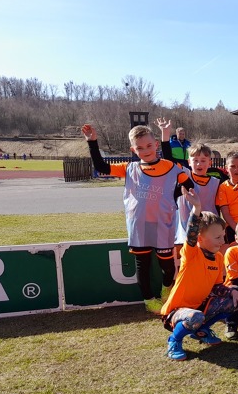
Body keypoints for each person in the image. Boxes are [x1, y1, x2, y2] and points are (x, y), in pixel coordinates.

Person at [82, 122, 192, 313]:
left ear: (156, 144)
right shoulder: (129, 168)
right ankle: (149, 300)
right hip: (138, 225)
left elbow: (188, 185)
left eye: (149, 146)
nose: (145, 151)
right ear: (133, 150)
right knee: (143, 266)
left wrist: (171, 197)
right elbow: (100, 166)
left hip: (163, 224)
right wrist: (92, 142)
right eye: (140, 148)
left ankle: (166, 291)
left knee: (167, 265)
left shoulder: (171, 167)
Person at [161, 188, 238, 361]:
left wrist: (232, 291)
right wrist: (197, 208)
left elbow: (217, 287)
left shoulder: (218, 257)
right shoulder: (192, 253)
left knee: (234, 302)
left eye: (223, 236)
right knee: (196, 316)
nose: (222, 241)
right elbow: (191, 233)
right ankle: (174, 341)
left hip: (200, 308)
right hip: (176, 312)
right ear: (200, 239)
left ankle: (201, 331)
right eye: (217, 238)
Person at [174, 142, 222, 248]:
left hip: (208, 231)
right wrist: (165, 137)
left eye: (203, 161)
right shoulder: (184, 175)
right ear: (189, 162)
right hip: (185, 231)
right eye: (195, 160)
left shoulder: (216, 182)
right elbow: (168, 160)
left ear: (210, 163)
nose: (199, 164)